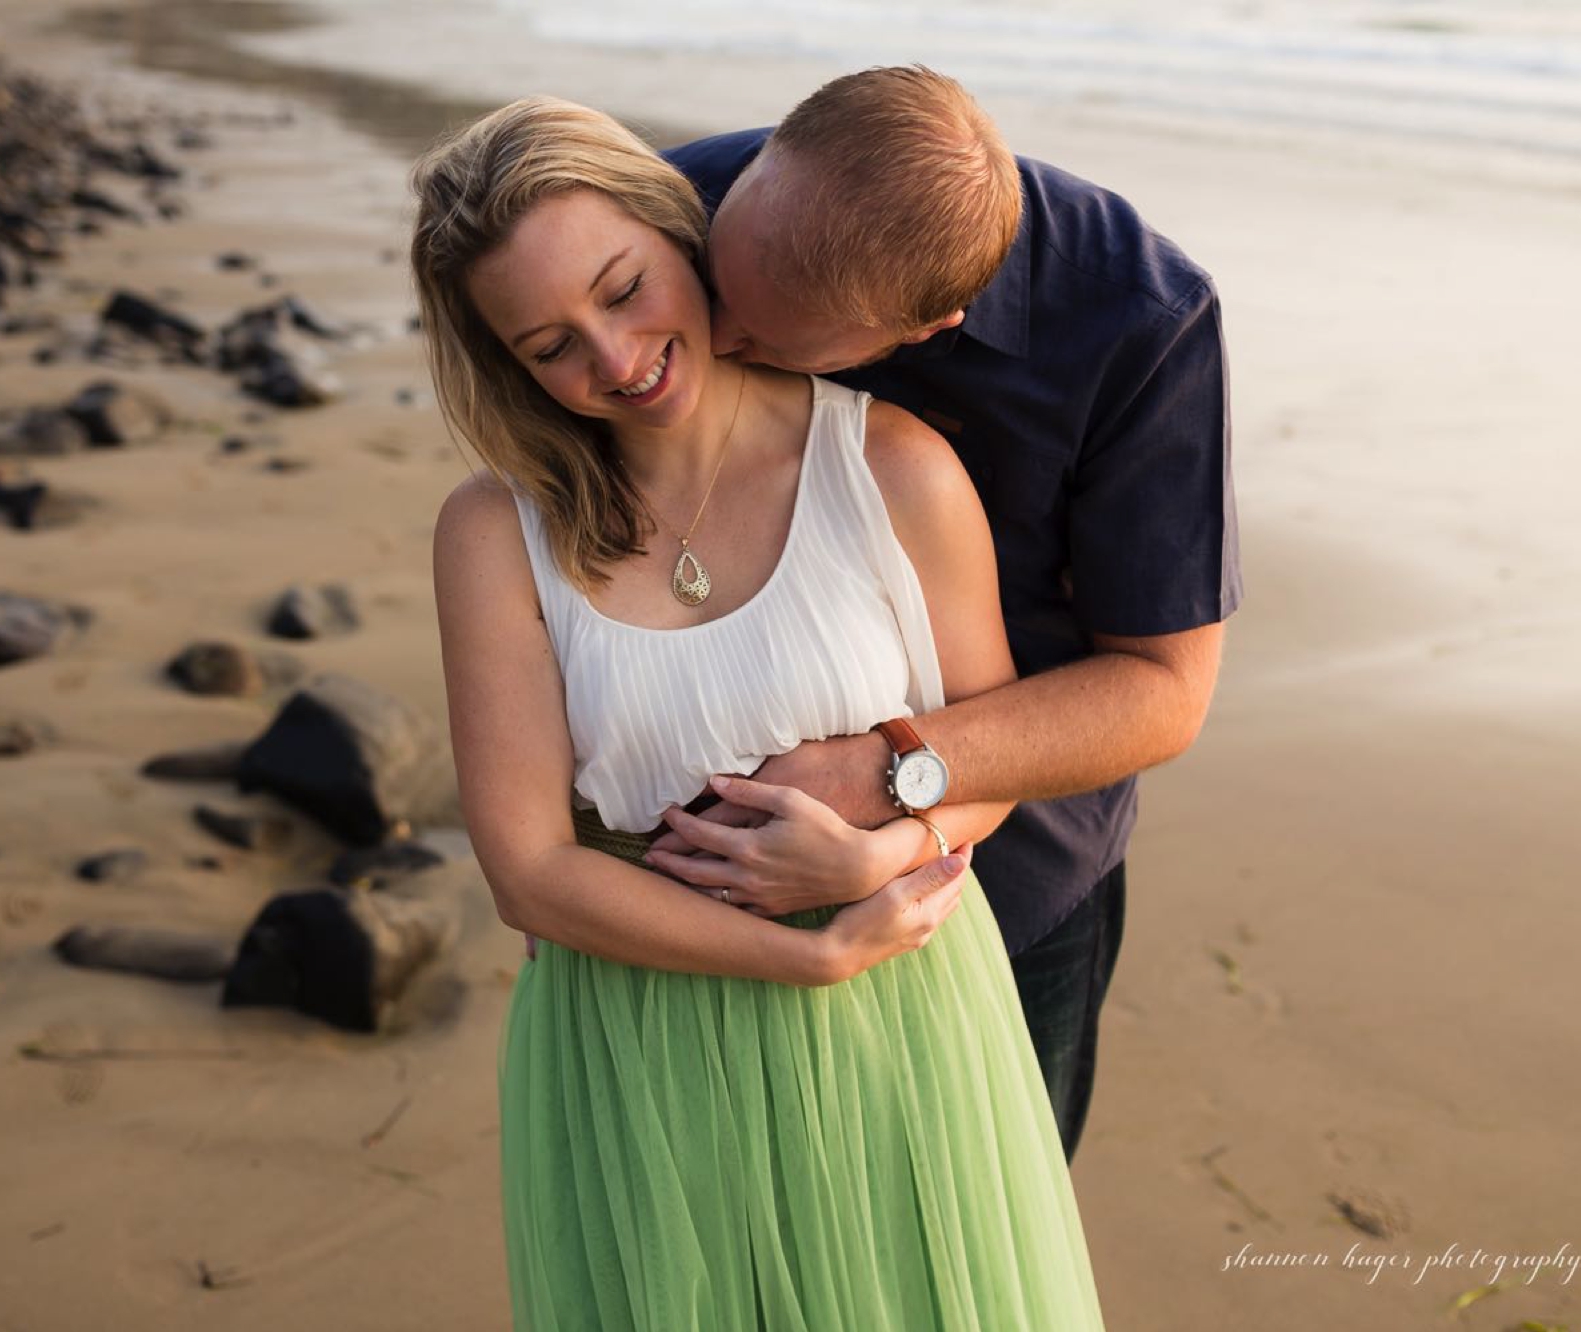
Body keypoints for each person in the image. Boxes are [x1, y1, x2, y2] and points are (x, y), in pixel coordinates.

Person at [414, 97, 1105, 1328]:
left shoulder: (894, 465)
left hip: (903, 1022)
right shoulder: (492, 532)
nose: (614, 361)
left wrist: (887, 846)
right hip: (634, 1038)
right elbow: (526, 870)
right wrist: (801, 953)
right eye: (547, 346)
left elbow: (991, 754)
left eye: (623, 290)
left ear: (688, 238)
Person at [651, 66, 1241, 1157]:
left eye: (765, 342)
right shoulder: (665, 207)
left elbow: (1161, 693)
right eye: (712, 283)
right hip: (689, 871)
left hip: (1003, 889)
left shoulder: (1136, 322)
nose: (708, 337)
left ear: (927, 328)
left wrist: (881, 771)